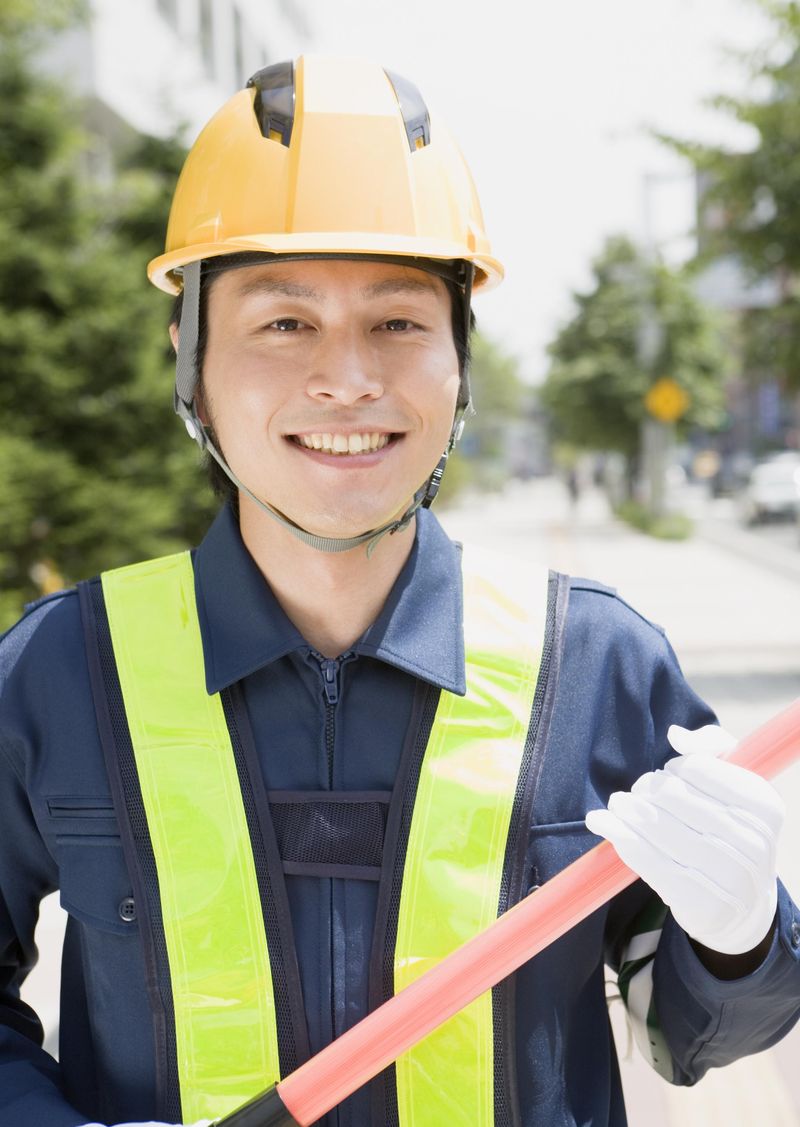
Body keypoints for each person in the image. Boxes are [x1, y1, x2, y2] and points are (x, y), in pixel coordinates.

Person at [0, 54, 798, 1127]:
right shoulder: (62, 669)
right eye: (284, 322)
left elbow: (692, 1031)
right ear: (188, 360)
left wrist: (738, 939)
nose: (348, 378)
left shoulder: (591, 663)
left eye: (398, 322)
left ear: (459, 363)